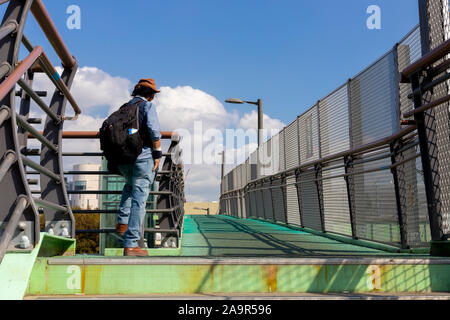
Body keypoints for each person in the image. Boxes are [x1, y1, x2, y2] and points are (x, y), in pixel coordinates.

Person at [115, 78, 162, 257]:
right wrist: (157, 155)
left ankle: (122, 222)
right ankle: (131, 244)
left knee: (129, 187)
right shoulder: (147, 106)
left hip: (124, 158)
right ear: (150, 94)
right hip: (142, 157)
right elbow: (154, 131)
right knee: (139, 199)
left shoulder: (124, 108)